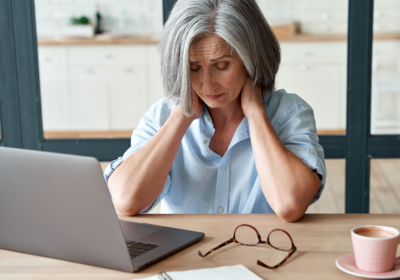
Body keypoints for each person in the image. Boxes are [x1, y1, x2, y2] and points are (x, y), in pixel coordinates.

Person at [104, 0, 326, 222]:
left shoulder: (289, 113)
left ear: (252, 59)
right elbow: (127, 200)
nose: (207, 85)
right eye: (193, 68)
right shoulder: (161, 116)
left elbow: (290, 205)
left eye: (222, 67)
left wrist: (255, 113)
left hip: (262, 253)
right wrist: (181, 117)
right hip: (185, 255)